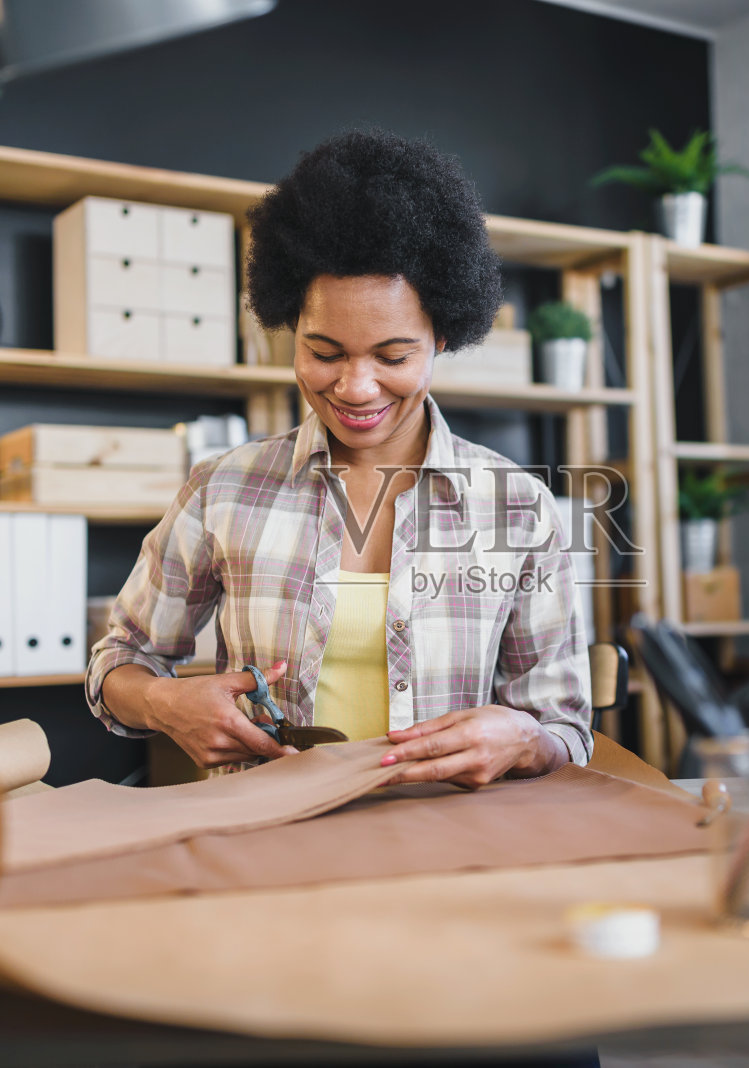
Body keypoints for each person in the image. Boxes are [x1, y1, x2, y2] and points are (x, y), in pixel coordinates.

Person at [86, 129, 593, 788]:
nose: (355, 388)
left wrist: (526, 737)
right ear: (290, 326)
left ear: (441, 336)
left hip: (449, 847)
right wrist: (162, 701)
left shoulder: (517, 508)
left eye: (392, 356)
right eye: (325, 352)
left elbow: (567, 729)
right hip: (267, 842)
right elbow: (120, 658)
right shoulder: (223, 491)